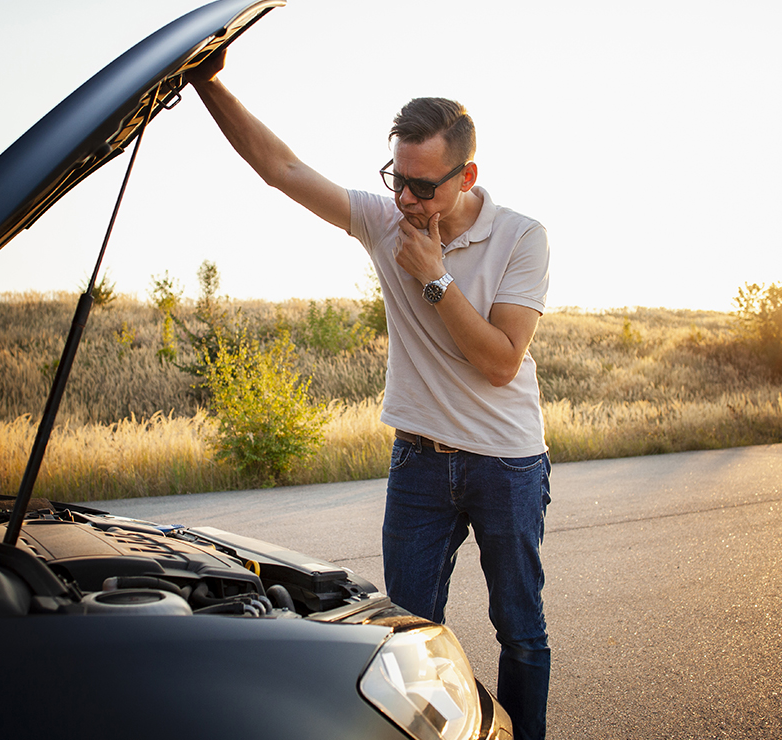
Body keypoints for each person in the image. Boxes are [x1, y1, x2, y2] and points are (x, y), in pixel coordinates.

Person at [189, 50, 552, 740]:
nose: (407, 202)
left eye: (423, 188)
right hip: (417, 462)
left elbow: (502, 362)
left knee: (521, 630)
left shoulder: (521, 237)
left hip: (505, 462)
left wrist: (435, 278)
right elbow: (282, 169)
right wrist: (208, 82)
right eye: (397, 182)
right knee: (402, 640)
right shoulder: (385, 222)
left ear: (466, 175)